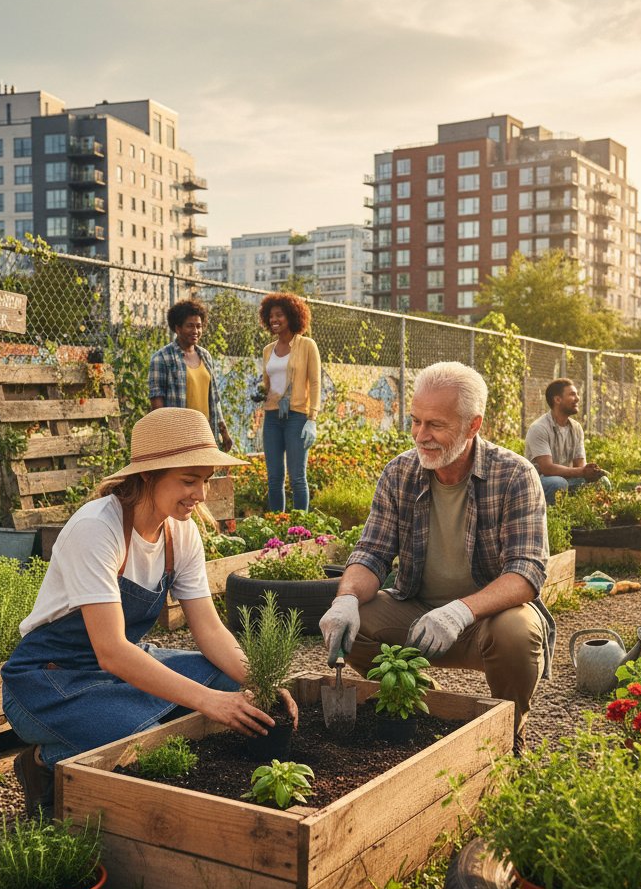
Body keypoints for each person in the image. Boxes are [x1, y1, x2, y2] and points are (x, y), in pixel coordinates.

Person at [1, 407, 298, 816]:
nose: (202, 494)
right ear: (147, 475)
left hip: (117, 672)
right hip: (48, 681)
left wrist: (261, 680)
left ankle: (94, 737)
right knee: (146, 739)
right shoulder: (97, 530)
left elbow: (209, 629)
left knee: (229, 684)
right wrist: (208, 702)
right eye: (189, 480)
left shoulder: (181, 533)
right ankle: (43, 763)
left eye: (206, 481)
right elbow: (112, 651)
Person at [318, 361, 554, 751]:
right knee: (354, 621)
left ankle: (508, 736)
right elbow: (372, 552)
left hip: (486, 620)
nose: (420, 436)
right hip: (418, 612)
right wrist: (345, 598)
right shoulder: (400, 473)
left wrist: (461, 611)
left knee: (518, 633)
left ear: (473, 426)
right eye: (415, 421)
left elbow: (526, 572)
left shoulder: (514, 474)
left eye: (436, 425)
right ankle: (429, 707)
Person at [259, 292, 321, 512]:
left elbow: (314, 382)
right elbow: (267, 384)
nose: (274, 320)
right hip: (272, 417)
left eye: (280, 315)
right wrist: (260, 393)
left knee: (297, 478)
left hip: (297, 416)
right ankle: (278, 526)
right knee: (274, 478)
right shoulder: (268, 350)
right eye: (271, 316)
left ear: (293, 316)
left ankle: (300, 529)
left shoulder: (306, 345)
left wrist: (312, 419)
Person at [149, 299, 234, 452]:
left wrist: (224, 432)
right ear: (177, 328)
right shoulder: (162, 358)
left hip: (205, 433)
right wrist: (164, 437)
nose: (195, 331)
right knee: (182, 476)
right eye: (190, 326)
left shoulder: (205, 356)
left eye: (199, 326)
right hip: (179, 435)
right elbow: (157, 401)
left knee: (204, 475)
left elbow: (214, 399)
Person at [524, 378, 609, 505]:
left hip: (567, 480)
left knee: (602, 482)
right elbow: (547, 469)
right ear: (557, 399)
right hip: (538, 482)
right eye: (572, 394)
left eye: (577, 394)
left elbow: (579, 465)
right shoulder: (539, 428)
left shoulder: (576, 428)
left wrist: (590, 472)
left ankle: (589, 519)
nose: (578, 398)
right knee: (558, 483)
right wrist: (582, 471)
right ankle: (550, 518)